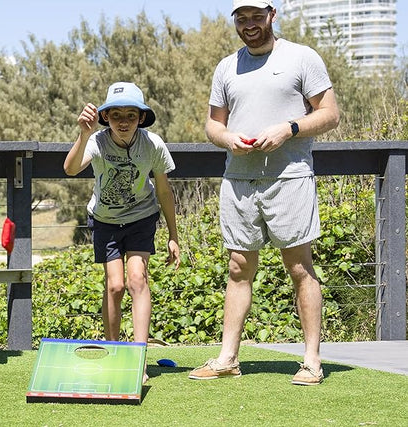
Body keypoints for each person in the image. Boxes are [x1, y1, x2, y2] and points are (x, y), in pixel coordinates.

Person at [188, 0, 340, 386]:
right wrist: (228, 138)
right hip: (238, 180)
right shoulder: (227, 66)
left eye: (257, 16)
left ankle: (311, 361)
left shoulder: (302, 58)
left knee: (299, 267)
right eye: (243, 18)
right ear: (235, 21)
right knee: (238, 268)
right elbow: (212, 124)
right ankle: (227, 358)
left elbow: (330, 114)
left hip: (289, 179)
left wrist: (288, 128)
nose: (250, 24)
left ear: (272, 15)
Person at [64, 82, 181, 382]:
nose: (124, 121)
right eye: (116, 115)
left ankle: (138, 358)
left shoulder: (153, 144)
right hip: (105, 221)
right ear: (105, 118)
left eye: (131, 115)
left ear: (141, 118)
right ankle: (113, 352)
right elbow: (71, 168)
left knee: (137, 280)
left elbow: (165, 192)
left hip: (142, 217)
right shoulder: (98, 141)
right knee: (114, 286)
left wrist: (173, 235)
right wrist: (83, 133)